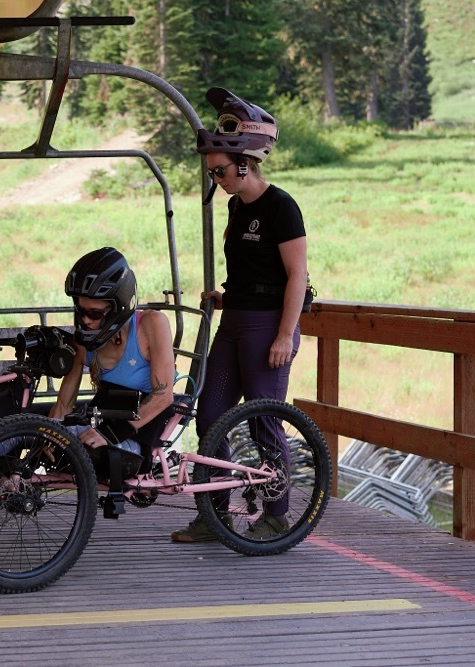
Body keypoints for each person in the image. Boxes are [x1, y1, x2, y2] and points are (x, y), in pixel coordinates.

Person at [171, 87, 309, 543]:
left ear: (246, 163)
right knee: (209, 414)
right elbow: (251, 270)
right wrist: (225, 296)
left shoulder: (281, 208)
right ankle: (215, 514)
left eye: (221, 170)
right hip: (234, 323)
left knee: (262, 419)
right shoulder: (234, 205)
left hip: (268, 326)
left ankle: (276, 514)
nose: (217, 178)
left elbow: (295, 277)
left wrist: (284, 336)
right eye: (213, 171)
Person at [49, 248, 177, 460]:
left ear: (118, 307)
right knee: (24, 435)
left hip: (134, 435)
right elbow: (63, 405)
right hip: (100, 423)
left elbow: (164, 396)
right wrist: (49, 434)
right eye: (81, 311)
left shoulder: (152, 323)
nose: (86, 321)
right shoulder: (86, 337)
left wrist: (109, 434)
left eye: (95, 313)